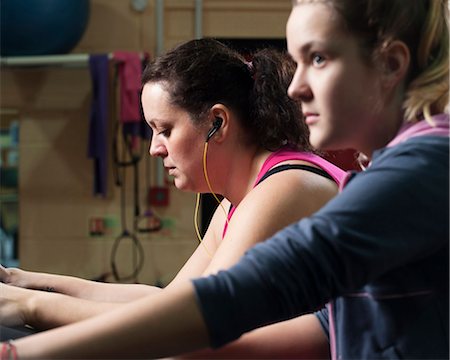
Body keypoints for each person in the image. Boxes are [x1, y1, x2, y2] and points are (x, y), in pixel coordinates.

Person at [1, 0, 448, 358]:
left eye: (318, 58)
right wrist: (27, 285)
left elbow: (224, 303)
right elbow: (318, 327)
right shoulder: (391, 169)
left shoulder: (418, 165)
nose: (296, 87)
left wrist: (30, 327)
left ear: (391, 65)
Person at [0, 38, 346, 357]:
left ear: (218, 122)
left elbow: (190, 320)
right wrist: (26, 281)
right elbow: (170, 302)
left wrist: (32, 305)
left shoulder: (284, 188)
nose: (154, 148)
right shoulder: (240, 200)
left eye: (165, 130)